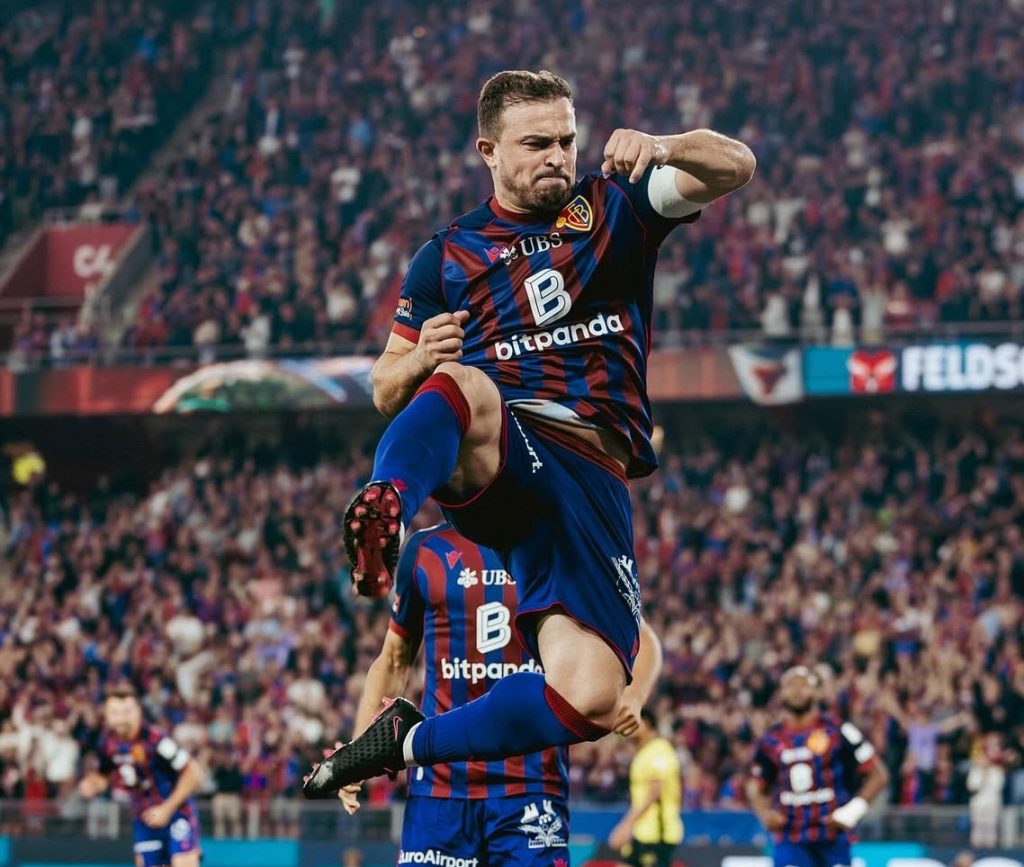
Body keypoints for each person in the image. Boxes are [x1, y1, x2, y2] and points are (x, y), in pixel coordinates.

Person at [305, 69, 754, 796]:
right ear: (488, 150)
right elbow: (387, 387)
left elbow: (737, 165)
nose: (557, 155)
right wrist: (419, 357)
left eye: (566, 140)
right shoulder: (446, 256)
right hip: (509, 448)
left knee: (592, 697)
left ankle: (405, 741)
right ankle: (387, 505)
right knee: (465, 384)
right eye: (536, 143)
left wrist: (666, 145)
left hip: (592, 478)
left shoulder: (619, 203)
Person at [329, 522, 663, 863]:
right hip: (439, 789)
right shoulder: (426, 549)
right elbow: (394, 660)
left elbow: (642, 636)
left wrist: (634, 697)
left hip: (532, 787)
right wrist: (359, 753)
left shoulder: (559, 542)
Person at [746, 667, 889, 867]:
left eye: (804, 685)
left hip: (833, 837)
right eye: (791, 685)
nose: (797, 691)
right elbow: (755, 786)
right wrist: (765, 814)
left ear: (817, 693)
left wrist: (852, 811)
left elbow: (878, 774)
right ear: (781, 693)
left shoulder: (839, 731)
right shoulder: (770, 740)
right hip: (791, 838)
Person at [79, 683, 205, 867]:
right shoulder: (107, 742)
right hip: (144, 819)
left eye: (127, 711)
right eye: (115, 712)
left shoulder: (155, 739)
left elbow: (193, 772)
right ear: (106, 714)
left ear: (138, 711)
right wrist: (93, 784)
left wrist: (166, 809)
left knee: (183, 862)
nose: (121, 718)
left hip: (177, 814)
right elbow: (104, 775)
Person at [609, 707, 683, 867]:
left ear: (646, 724)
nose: (627, 728)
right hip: (643, 831)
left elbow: (655, 792)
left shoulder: (659, 750)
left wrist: (626, 825)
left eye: (632, 722)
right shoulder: (644, 752)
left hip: (657, 833)